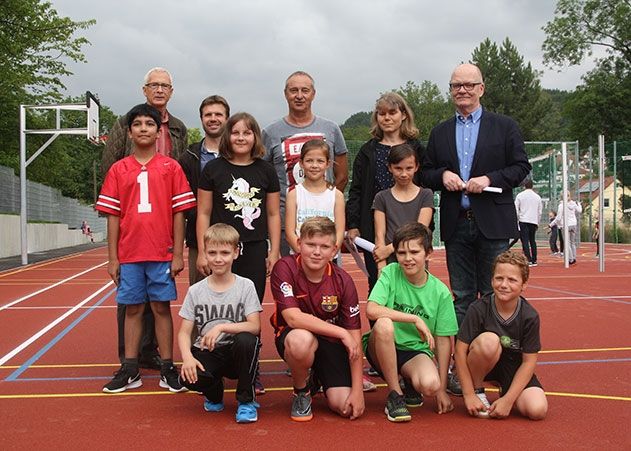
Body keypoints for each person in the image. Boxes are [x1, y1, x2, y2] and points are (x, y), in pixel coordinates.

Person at [421, 63, 531, 395]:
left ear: (482, 88)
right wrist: (442, 176)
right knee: (463, 299)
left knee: (501, 294)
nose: (463, 90)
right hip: (457, 225)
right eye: (457, 85)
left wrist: (490, 179)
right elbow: (424, 173)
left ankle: (503, 363)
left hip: (493, 223)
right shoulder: (440, 132)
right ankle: (461, 366)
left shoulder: (505, 126)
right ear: (451, 90)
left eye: (470, 85)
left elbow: (521, 166)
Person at [96, 103, 196, 393]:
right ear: (129, 132)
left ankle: (167, 366)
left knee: (161, 308)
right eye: (137, 124)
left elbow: (180, 213)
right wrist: (112, 257)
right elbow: (113, 216)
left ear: (157, 131)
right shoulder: (118, 169)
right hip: (129, 254)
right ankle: (130, 368)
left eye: (149, 124)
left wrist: (177, 252)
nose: (143, 128)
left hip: (160, 252)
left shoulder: (171, 167)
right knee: (132, 309)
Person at [196, 112, 281, 395]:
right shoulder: (213, 170)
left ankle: (251, 370)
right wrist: (201, 252)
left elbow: (271, 212)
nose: (241, 138)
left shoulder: (265, 170)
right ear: (227, 137)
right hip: (221, 249)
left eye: (247, 132)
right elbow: (204, 212)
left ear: (255, 136)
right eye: (235, 133)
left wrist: (275, 250)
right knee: (216, 309)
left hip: (254, 249)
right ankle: (214, 366)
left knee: (248, 311)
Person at [270, 216, 365, 422]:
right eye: (310, 244)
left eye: (324, 246)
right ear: (299, 244)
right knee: (301, 340)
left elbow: (355, 339)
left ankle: (318, 376)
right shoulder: (284, 268)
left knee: (345, 407)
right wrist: (341, 332)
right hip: (296, 339)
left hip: (331, 345)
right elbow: (293, 318)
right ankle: (302, 391)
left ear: (334, 250)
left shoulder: (343, 281)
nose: (316, 252)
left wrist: (358, 391)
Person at [364, 223, 457, 422]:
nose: (407, 259)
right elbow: (371, 310)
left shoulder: (440, 292)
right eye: (401, 253)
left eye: (414, 252)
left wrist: (441, 389)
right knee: (383, 324)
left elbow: (443, 340)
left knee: (430, 385)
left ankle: (409, 381)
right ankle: (395, 395)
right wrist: (414, 318)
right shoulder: (390, 272)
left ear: (428, 253)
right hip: (381, 345)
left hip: (413, 351)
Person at [178, 223, 262, 423]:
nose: (218, 258)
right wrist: (187, 358)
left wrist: (221, 327)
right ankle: (214, 392)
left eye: (224, 252)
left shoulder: (245, 286)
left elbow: (254, 325)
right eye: (212, 252)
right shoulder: (196, 291)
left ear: (235, 252)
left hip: (236, 352)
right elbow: (184, 332)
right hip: (208, 351)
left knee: (247, 341)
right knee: (187, 377)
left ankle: (246, 401)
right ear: (205, 254)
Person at [262, 71, 349, 256]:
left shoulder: (331, 129)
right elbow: (264, 180)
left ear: (313, 94)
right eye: (293, 90)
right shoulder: (270, 133)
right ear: (285, 94)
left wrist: (326, 199)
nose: (299, 96)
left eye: (305, 90)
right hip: (289, 228)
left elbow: (342, 175)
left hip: (327, 227)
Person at [454, 250, 548, 420]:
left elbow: (529, 361)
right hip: (484, 360)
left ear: (524, 284)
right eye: (499, 278)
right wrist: (468, 395)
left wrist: (508, 400)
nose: (504, 284)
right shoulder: (478, 308)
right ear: (491, 280)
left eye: (512, 280)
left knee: (537, 410)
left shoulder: (529, 316)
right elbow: (460, 351)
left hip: (513, 366)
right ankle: (477, 389)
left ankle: (505, 389)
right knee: (489, 341)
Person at [347, 92, 424, 293]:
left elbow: (424, 184)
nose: (387, 118)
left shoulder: (416, 148)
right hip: (374, 224)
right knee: (378, 280)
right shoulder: (367, 151)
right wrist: (353, 224)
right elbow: (356, 189)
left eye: (392, 112)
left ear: (404, 115)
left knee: (413, 278)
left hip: (409, 219)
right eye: (381, 114)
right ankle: (379, 323)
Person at [180, 95, 230, 285]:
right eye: (208, 114)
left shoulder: (241, 154)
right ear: (201, 119)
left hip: (234, 238)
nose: (213, 118)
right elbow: (183, 202)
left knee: (236, 301)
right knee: (201, 300)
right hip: (200, 240)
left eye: (218, 114)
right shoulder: (188, 157)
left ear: (227, 118)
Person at [373, 144, 434, 273]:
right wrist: (381, 267)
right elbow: (380, 236)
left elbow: (419, 232)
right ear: (390, 168)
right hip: (390, 265)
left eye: (409, 168)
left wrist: (389, 249)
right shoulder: (381, 197)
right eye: (398, 168)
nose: (404, 174)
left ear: (416, 167)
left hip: (416, 262)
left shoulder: (426, 195)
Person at [284, 139, 345, 254]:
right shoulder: (294, 195)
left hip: (328, 259)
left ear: (328, 164)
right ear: (301, 163)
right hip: (299, 258)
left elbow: (340, 232)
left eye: (320, 161)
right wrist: (304, 255)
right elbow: (289, 232)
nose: (314, 165)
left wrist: (329, 254)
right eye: (309, 161)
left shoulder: (337, 195)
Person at [514, 179, 543, 266]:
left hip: (523, 220)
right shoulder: (537, 197)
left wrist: (518, 219)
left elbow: (516, 209)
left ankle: (528, 259)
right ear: (532, 186)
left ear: (524, 186)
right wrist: (537, 222)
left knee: (525, 241)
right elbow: (540, 211)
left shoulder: (520, 196)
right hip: (533, 221)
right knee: (532, 240)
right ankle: (534, 259)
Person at [551, 191, 582, 265]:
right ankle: (574, 257)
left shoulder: (561, 205)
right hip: (574, 224)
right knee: (572, 242)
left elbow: (558, 217)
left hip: (566, 225)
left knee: (567, 242)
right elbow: (579, 211)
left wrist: (552, 224)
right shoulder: (573, 203)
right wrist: (579, 204)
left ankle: (570, 259)